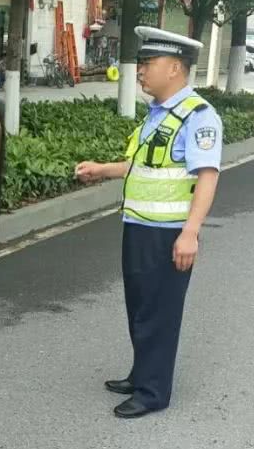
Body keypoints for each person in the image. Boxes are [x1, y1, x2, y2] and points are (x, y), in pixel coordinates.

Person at [74, 26, 222, 419]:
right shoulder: (158, 115)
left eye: (148, 63)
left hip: (169, 233)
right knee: (140, 306)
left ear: (174, 67)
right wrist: (102, 169)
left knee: (160, 311)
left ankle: (154, 392)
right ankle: (142, 374)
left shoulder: (199, 117)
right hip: (139, 227)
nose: (140, 70)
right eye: (140, 63)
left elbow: (208, 175)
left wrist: (190, 233)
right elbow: (142, 165)